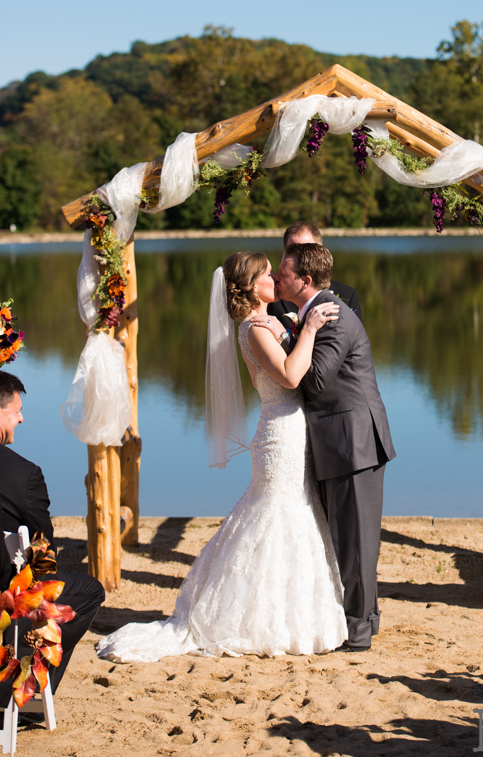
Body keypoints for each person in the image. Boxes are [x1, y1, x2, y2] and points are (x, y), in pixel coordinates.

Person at [97, 252, 348, 662]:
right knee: (276, 514)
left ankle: (287, 612)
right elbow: (289, 376)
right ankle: (253, 619)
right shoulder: (253, 328)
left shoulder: (271, 321)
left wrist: (296, 327)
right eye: (268, 273)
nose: (275, 278)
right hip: (280, 434)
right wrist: (312, 328)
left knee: (290, 512)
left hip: (290, 427)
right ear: (250, 286)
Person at [266, 243, 396, 652]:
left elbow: (317, 380)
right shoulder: (313, 315)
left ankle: (359, 630)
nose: (276, 280)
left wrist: (292, 342)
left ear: (304, 281)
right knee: (350, 539)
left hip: (354, 442)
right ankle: (364, 620)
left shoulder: (332, 318)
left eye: (282, 274)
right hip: (341, 441)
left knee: (356, 542)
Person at [0, 371, 105, 702]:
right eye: (15, 410)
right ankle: (21, 685)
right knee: (89, 591)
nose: (21, 417)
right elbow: (44, 554)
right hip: (6, 599)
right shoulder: (24, 476)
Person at [268, 221, 362, 329]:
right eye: (293, 250)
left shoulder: (347, 295)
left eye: (307, 249)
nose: (302, 257)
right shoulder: (273, 298)